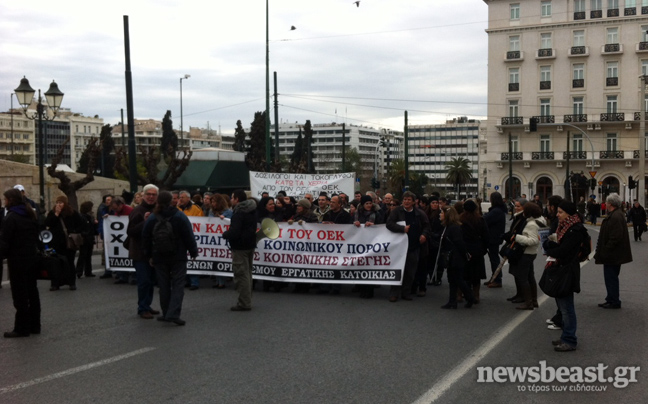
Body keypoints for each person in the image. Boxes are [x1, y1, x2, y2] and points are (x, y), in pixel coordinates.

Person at [142, 191, 198, 326]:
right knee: (178, 285)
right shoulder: (179, 216)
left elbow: (146, 236)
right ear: (172, 201)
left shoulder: (152, 217)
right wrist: (193, 251)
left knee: (164, 285)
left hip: (159, 255)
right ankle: (173, 314)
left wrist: (149, 254)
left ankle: (166, 312)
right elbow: (188, 235)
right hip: (178, 255)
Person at [542, 201, 586, 352]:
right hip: (561, 268)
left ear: (569, 213)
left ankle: (570, 339)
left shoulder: (575, 229)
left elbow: (564, 250)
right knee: (562, 305)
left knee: (567, 308)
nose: (558, 215)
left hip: (566, 270)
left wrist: (550, 249)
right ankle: (565, 337)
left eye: (561, 212)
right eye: (558, 211)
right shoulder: (565, 226)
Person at [0, 188, 41, 338]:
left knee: (20, 295)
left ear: (11, 200)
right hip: (31, 258)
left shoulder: (11, 217)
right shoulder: (30, 214)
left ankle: (22, 328)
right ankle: (35, 325)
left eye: (5, 199)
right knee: (32, 292)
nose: (4, 202)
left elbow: (5, 241)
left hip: (17, 260)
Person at [386, 191, 430, 302]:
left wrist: (424, 235)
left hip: (414, 246)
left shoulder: (420, 213)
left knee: (410, 272)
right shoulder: (396, 212)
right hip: (399, 247)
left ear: (414, 201)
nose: (406, 202)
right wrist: (402, 229)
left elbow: (427, 226)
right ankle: (394, 293)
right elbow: (389, 224)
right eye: (405, 199)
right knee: (397, 270)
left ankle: (406, 292)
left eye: (409, 200)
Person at [127, 184, 161, 319]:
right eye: (149, 194)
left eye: (154, 195)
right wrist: (145, 222)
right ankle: (142, 308)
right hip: (140, 253)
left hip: (153, 252)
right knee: (144, 281)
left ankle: (147, 304)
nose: (151, 197)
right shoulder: (138, 211)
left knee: (151, 281)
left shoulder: (157, 210)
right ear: (143, 195)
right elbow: (130, 231)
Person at [594, 193, 632, 309]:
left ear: (610, 203)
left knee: (611, 278)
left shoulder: (615, 216)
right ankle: (610, 298)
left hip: (613, 254)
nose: (605, 203)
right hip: (614, 254)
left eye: (606, 202)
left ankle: (614, 301)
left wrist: (605, 250)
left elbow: (615, 236)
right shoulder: (616, 215)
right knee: (611, 277)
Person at [223, 189, 257, 311]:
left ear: (237, 199)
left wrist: (226, 234)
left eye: (232, 198)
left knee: (241, 274)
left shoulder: (239, 213)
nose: (231, 200)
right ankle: (247, 299)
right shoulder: (252, 210)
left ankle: (244, 303)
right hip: (249, 245)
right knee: (247, 274)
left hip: (240, 247)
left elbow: (235, 231)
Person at [510, 202, 545, 310]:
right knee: (530, 276)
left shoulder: (531, 224)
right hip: (532, 253)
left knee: (523, 278)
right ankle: (533, 300)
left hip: (526, 252)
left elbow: (533, 240)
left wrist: (517, 237)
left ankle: (528, 302)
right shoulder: (539, 221)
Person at [439, 206, 476, 309]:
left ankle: (470, 297)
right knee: (452, 279)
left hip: (456, 257)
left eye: (441, 213)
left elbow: (459, 242)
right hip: (452, 257)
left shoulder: (453, 227)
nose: (440, 215)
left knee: (458, 279)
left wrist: (465, 254)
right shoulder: (448, 226)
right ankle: (452, 301)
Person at [44, 195, 83, 291]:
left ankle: (71, 282)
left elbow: (80, 225)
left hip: (68, 242)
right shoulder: (53, 213)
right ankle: (55, 284)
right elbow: (47, 223)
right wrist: (56, 215)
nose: (58, 205)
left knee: (69, 262)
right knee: (56, 263)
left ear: (65, 203)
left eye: (60, 203)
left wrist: (72, 232)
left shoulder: (72, 213)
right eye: (57, 203)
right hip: (56, 242)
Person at [459, 199, 489, 303]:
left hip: (463, 249)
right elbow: (485, 235)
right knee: (476, 274)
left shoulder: (460, 219)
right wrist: (484, 248)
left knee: (462, 273)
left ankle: (460, 294)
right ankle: (476, 295)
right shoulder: (480, 219)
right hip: (477, 248)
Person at [502, 198, 528, 303]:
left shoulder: (524, 218)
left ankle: (524, 296)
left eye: (518, 206)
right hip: (514, 245)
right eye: (515, 206)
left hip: (518, 247)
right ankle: (519, 294)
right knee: (515, 273)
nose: (516, 208)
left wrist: (509, 236)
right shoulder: (517, 216)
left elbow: (518, 232)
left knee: (520, 274)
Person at [177, 190, 203, 290]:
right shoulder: (177, 208)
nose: (180, 199)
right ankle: (186, 280)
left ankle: (194, 282)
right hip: (180, 237)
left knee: (192, 259)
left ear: (188, 198)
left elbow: (201, 222)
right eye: (180, 197)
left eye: (182, 197)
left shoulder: (196, 209)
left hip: (192, 235)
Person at [483, 192, 507, 288]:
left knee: (494, 260)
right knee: (493, 259)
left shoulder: (496, 211)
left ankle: (497, 279)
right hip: (495, 237)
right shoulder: (499, 210)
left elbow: (485, 220)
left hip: (493, 238)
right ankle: (494, 278)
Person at [209, 193, 233, 289]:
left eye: (214, 201)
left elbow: (231, 222)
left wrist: (224, 219)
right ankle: (218, 281)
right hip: (214, 238)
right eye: (212, 202)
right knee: (216, 257)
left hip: (223, 238)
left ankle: (222, 281)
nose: (213, 204)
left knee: (222, 257)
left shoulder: (228, 212)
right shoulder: (211, 212)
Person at [108, 197, 134, 284]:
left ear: (121, 205)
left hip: (128, 237)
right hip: (122, 238)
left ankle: (132, 276)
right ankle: (122, 276)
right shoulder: (118, 211)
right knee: (121, 255)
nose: (115, 210)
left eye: (116, 208)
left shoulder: (130, 211)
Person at [76, 201, 97, 279]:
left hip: (89, 237)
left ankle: (86, 271)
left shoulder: (88, 216)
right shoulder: (83, 217)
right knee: (83, 255)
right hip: (86, 238)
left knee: (87, 255)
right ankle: (80, 271)